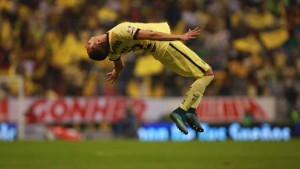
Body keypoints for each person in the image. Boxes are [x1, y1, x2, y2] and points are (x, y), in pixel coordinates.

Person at [86, 22, 214, 135]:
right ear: (98, 42)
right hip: (166, 46)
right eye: (89, 45)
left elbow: (119, 65)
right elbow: (151, 35)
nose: (87, 44)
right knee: (207, 73)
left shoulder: (112, 51)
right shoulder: (119, 32)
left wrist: (116, 72)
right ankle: (182, 111)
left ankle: (191, 111)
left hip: (160, 54)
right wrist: (179, 37)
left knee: (201, 75)